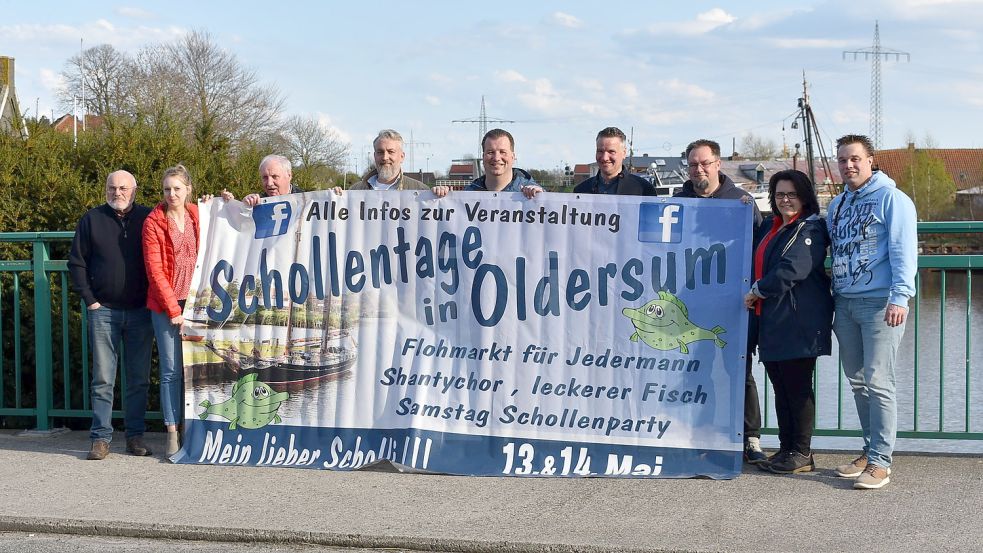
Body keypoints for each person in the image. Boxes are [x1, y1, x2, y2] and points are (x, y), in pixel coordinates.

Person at [827, 134, 917, 490]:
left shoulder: (892, 199)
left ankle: (881, 462)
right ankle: (868, 450)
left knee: (880, 382)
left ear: (870, 160)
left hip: (881, 304)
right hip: (845, 302)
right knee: (859, 382)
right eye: (842, 160)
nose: (848, 166)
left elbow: (903, 251)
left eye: (855, 159)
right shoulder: (837, 206)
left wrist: (901, 297)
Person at [674, 139, 766, 464]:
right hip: (692, 304)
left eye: (704, 163)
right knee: (698, 371)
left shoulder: (740, 201)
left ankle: (750, 437)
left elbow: (759, 247)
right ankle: (705, 433)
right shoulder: (678, 200)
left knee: (738, 370)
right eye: (692, 164)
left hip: (733, 304)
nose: (698, 170)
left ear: (718, 164)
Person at [744, 170, 832, 474]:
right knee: (780, 386)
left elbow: (794, 268)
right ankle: (786, 448)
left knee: (796, 387)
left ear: (805, 196)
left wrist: (757, 290)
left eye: (792, 194)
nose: (785, 200)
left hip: (799, 320)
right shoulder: (772, 225)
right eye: (780, 194)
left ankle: (802, 451)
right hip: (773, 319)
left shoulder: (811, 229)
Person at [68, 170, 154, 460]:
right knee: (103, 379)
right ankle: (101, 438)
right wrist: (90, 301)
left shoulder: (149, 217)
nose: (117, 192)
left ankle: (135, 436)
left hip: (142, 311)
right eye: (112, 187)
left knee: (139, 378)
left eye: (123, 188)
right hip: (103, 310)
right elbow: (77, 262)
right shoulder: (91, 219)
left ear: (134, 190)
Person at [143, 165, 200, 457]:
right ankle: (171, 431)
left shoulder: (196, 215)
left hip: (195, 303)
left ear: (188, 189)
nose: (172, 194)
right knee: (171, 370)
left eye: (177, 188)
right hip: (167, 305)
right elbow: (155, 270)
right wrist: (173, 309)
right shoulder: (154, 221)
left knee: (195, 369)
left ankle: (192, 426)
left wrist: (229, 201)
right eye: (167, 189)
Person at [433, 129, 542, 198]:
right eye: (490, 152)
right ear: (483, 157)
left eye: (503, 152)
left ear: (513, 157)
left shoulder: (535, 194)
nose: (496, 158)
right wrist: (441, 199)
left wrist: (542, 198)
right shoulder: (468, 194)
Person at [573, 127, 656, 196]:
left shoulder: (644, 190)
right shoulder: (580, 191)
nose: (605, 158)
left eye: (611, 151)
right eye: (600, 151)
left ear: (624, 153)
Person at [347, 130, 429, 191]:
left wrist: (439, 195)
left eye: (391, 152)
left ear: (402, 157)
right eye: (380, 152)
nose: (385, 157)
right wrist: (338, 197)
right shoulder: (355, 190)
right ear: (375, 156)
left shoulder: (420, 190)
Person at [221, 154, 303, 206]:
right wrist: (232, 206)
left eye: (274, 176)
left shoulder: (307, 201)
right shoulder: (256, 204)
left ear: (289, 176)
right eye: (265, 177)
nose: (269, 183)